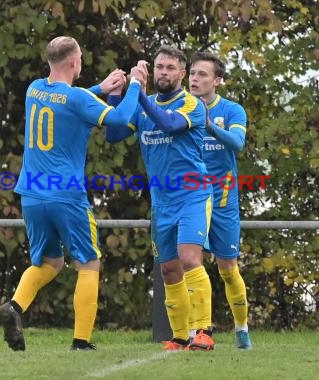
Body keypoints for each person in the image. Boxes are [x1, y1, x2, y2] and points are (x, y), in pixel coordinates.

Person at [0, 36, 145, 352]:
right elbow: (116, 119)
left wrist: (102, 89)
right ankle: (81, 341)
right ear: (74, 63)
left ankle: (15, 306)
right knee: (88, 263)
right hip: (65, 195)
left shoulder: (34, 89)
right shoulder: (76, 97)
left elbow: (70, 104)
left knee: (49, 262)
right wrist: (135, 86)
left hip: (32, 193)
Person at [105, 45, 214, 351]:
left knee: (190, 258)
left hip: (193, 194)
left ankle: (202, 331)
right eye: (159, 67)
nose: (163, 72)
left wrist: (136, 90)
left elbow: (168, 123)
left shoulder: (192, 104)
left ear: (182, 73)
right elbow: (113, 135)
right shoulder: (144, 105)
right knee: (168, 269)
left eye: (170, 67)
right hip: (162, 201)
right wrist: (116, 93)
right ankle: (180, 337)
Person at [188, 51, 252, 349]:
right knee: (190, 262)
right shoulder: (182, 108)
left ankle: (241, 329)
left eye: (202, 74)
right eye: (192, 73)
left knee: (228, 268)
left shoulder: (232, 110)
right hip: (190, 197)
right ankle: (197, 331)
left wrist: (210, 124)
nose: (194, 79)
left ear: (218, 80)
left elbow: (238, 143)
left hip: (223, 198)